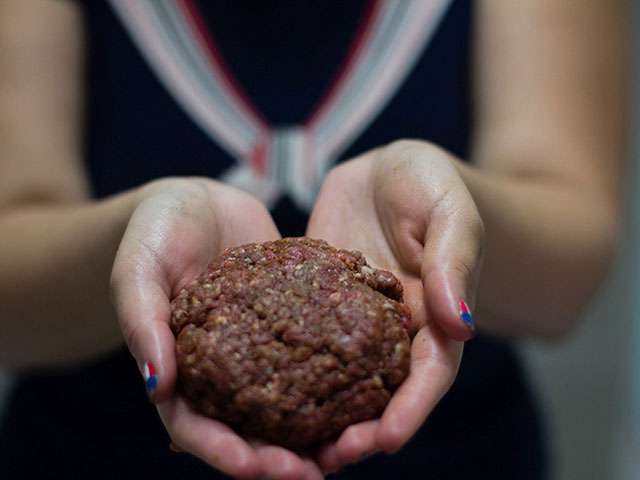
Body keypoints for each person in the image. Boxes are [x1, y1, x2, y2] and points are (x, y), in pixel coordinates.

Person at [0, 0, 626, 479]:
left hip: (455, 453)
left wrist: (450, 209)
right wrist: (134, 237)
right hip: (95, 453)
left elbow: (567, 279)